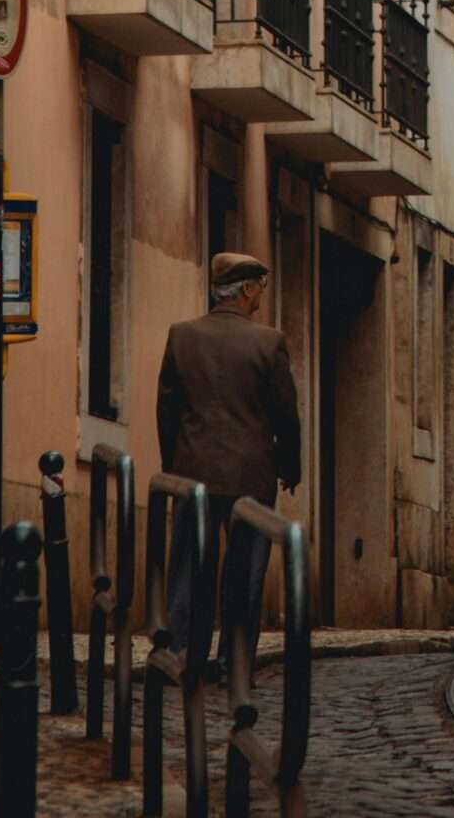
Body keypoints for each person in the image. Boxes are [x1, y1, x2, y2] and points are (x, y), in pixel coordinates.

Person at [156, 250, 302, 673]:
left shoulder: (181, 336)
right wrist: (289, 467)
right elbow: (285, 414)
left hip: (192, 473)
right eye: (261, 288)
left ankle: (181, 653)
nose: (261, 296)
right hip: (250, 478)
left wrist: (174, 466)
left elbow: (167, 410)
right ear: (247, 289)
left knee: (186, 568)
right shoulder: (268, 342)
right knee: (245, 575)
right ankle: (233, 661)